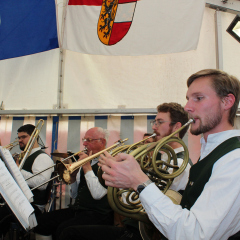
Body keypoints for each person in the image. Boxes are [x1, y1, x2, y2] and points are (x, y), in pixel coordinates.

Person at [100, 69, 240, 240]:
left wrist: (139, 181)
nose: (187, 107)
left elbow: (195, 234)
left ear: (227, 102)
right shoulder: (213, 151)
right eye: (188, 99)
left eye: (199, 98)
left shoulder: (235, 158)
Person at [58, 102, 191, 240]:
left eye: (159, 122)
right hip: (133, 228)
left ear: (176, 127)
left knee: (70, 233)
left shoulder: (180, 165)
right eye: (154, 122)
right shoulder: (163, 157)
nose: (153, 127)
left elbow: (154, 204)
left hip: (143, 233)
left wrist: (125, 177)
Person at [34, 127, 113, 240]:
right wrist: (73, 178)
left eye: (89, 140)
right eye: (84, 140)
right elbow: (74, 195)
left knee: (64, 229)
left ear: (102, 142)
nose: (84, 143)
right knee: (43, 221)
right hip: (79, 210)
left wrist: (86, 167)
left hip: (99, 213)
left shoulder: (109, 162)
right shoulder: (86, 161)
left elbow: (98, 195)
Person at [17, 124, 54, 214]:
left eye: (23, 137)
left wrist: (18, 170)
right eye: (18, 138)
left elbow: (41, 184)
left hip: (33, 206)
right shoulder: (24, 156)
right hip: (21, 202)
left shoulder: (42, 157)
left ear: (34, 137)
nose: (19, 140)